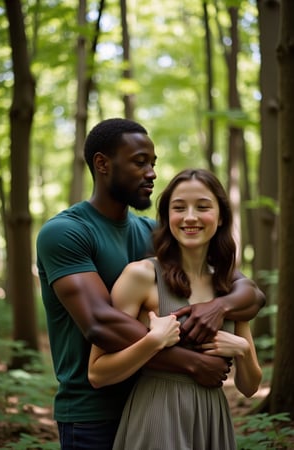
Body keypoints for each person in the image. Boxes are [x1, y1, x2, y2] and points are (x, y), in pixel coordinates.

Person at [36, 118, 264, 450]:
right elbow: (101, 323)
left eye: (153, 163)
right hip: (93, 411)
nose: (152, 173)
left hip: (155, 398)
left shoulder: (151, 233)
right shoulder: (66, 232)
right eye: (140, 161)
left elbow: (250, 293)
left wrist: (218, 306)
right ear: (102, 164)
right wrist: (194, 363)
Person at [88, 168, 262, 450]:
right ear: (168, 218)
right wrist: (153, 342)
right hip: (157, 417)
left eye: (203, 207)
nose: (190, 217)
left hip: (213, 421)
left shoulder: (229, 285)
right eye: (179, 208)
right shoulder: (140, 276)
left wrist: (242, 349)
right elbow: (97, 373)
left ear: (220, 218)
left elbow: (250, 387)